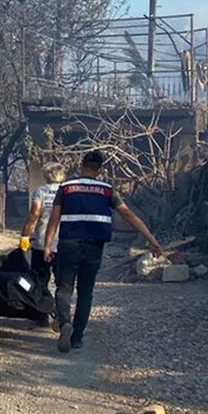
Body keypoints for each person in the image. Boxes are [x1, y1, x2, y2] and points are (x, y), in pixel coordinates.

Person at [43, 151, 162, 353]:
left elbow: (54, 218)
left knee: (64, 287)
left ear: (82, 165)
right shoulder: (107, 190)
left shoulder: (66, 188)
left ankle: (64, 324)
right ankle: (78, 337)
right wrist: (152, 240)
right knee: (86, 290)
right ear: (99, 169)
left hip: (68, 244)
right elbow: (128, 214)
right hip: (94, 246)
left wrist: (47, 245)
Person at [19, 162, 66, 328]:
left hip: (41, 242)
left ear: (47, 175)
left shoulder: (41, 191)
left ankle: (42, 315)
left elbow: (34, 215)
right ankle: (62, 316)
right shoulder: (67, 191)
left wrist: (25, 235)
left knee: (40, 280)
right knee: (62, 282)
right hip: (63, 243)